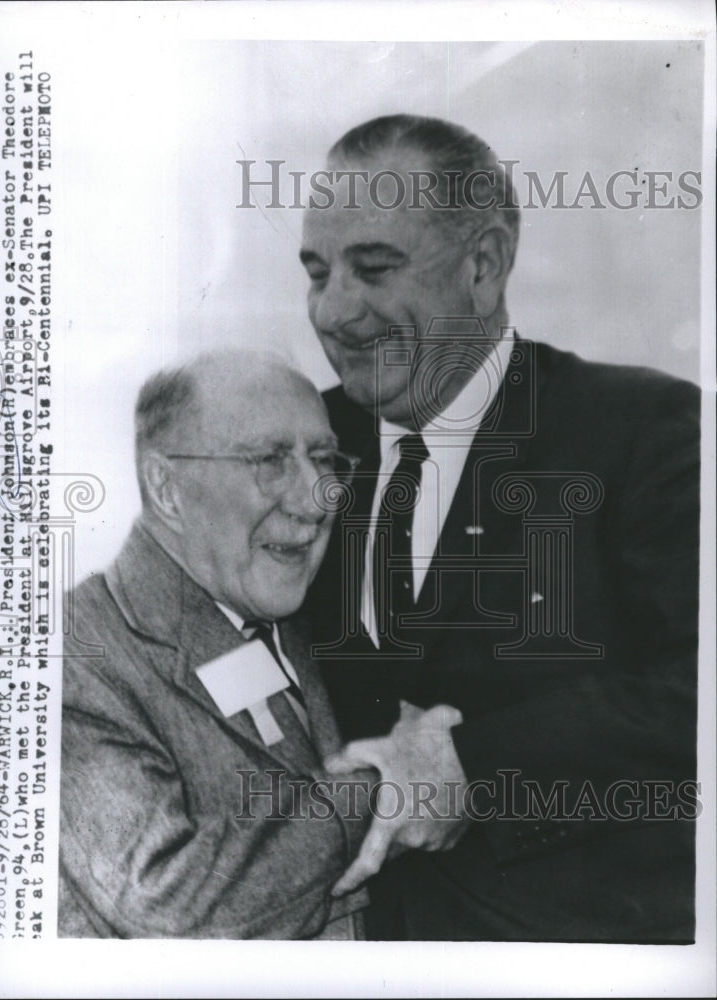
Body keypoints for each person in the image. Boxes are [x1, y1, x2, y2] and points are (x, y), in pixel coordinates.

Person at [300, 114, 700, 941]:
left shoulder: (653, 430)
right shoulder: (294, 441)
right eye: (316, 272)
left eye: (374, 268)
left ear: (484, 266)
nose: (335, 311)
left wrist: (472, 768)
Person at [58, 350, 372, 939]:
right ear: (168, 489)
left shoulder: (297, 614)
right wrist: (377, 794)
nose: (316, 499)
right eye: (269, 460)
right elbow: (168, 910)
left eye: (324, 460)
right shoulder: (74, 654)